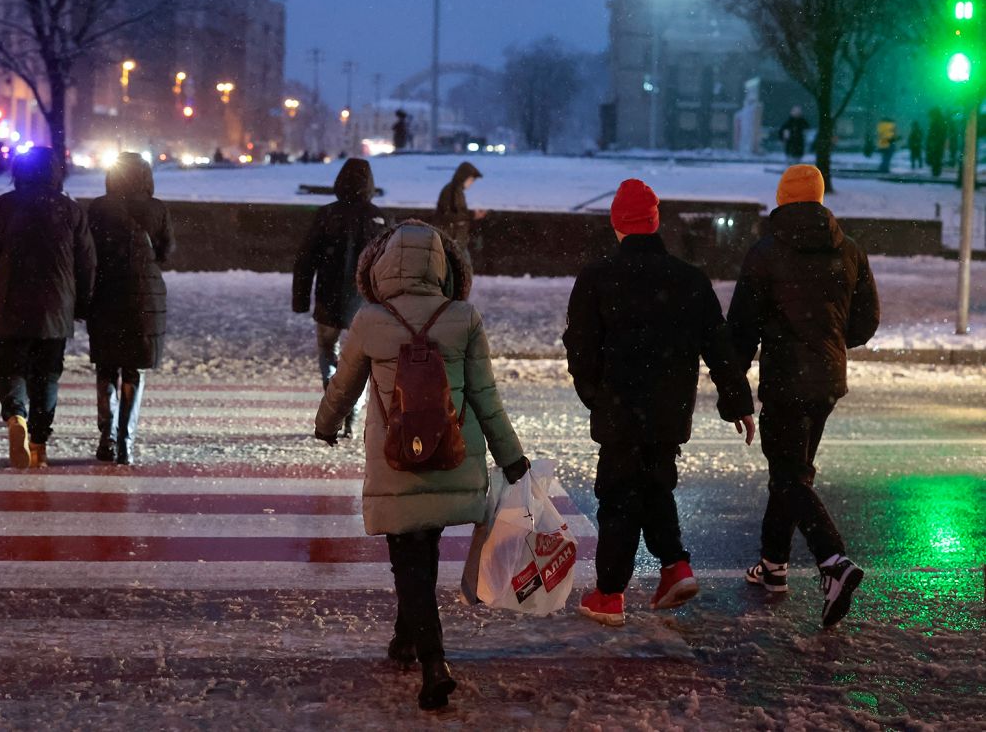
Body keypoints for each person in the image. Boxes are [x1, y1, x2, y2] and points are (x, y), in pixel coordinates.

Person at [314, 220, 529, 711]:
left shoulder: (370, 319)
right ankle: (405, 636)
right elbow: (486, 397)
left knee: (406, 555)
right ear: (442, 267)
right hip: (450, 452)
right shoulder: (463, 317)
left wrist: (326, 424)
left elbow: (344, 385)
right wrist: (511, 458)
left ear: (382, 268)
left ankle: (433, 662)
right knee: (423, 547)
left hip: (396, 458)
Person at [564, 179, 755, 627]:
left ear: (617, 225)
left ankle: (611, 593)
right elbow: (720, 347)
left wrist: (595, 396)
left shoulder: (597, 277)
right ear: (655, 222)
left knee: (617, 496)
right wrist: (738, 402)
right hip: (669, 412)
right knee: (653, 486)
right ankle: (674, 567)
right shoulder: (689, 278)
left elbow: (580, 348)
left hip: (618, 409)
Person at [727, 164, 880, 628]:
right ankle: (773, 567)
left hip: (786, 381)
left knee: (791, 477)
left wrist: (733, 382)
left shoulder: (766, 253)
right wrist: (830, 342)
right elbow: (865, 322)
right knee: (792, 473)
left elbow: (742, 328)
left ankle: (833, 560)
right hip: (827, 381)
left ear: (782, 199)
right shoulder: (849, 250)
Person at [0, 147, 96, 469]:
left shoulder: (5, 205)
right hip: (56, 306)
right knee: (47, 373)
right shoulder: (70, 210)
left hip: (13, 300)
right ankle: (39, 443)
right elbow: (87, 262)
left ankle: (16, 416)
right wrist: (80, 304)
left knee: (10, 365)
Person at [87, 153, 174, 465]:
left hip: (106, 293)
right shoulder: (157, 208)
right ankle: (126, 441)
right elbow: (166, 252)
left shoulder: (98, 208)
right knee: (133, 368)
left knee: (106, 365)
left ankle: (106, 436)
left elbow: (87, 250)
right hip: (143, 298)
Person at [293, 158, 386, 437]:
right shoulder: (378, 217)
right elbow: (389, 263)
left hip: (328, 296)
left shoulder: (326, 214)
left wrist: (300, 299)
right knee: (360, 359)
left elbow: (306, 258)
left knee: (327, 349)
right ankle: (353, 411)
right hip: (364, 300)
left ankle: (332, 393)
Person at [433, 161, 487, 258]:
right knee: (462, 267)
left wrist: (472, 214)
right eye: (471, 180)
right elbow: (448, 216)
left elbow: (457, 213)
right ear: (464, 178)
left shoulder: (457, 191)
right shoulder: (451, 191)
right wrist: (472, 215)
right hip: (452, 239)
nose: (471, 183)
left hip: (456, 239)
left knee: (463, 267)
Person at [927, 107, 949, 178]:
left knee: (936, 158)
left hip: (936, 143)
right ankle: (936, 171)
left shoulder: (937, 122)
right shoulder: (940, 121)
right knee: (937, 158)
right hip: (938, 143)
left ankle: (936, 172)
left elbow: (935, 133)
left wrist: (932, 142)